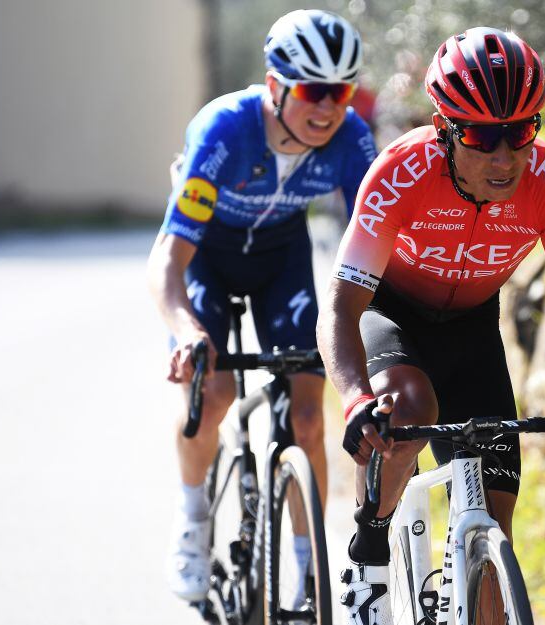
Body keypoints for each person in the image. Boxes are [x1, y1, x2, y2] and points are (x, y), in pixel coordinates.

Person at [316, 27, 545, 624]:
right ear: (444, 128)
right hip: (391, 314)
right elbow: (342, 308)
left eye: (521, 131)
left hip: (474, 330)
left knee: (494, 533)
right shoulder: (400, 172)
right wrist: (355, 400)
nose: (505, 156)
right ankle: (369, 554)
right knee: (406, 404)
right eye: (484, 135)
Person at [147, 9, 377, 602]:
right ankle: (192, 520)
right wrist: (185, 329)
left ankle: (309, 566)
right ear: (276, 85)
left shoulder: (351, 139)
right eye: (313, 91)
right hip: (209, 257)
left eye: (342, 91)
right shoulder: (224, 131)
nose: (328, 107)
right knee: (214, 393)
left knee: (307, 415)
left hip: (281, 257)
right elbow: (168, 262)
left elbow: (375, 244)